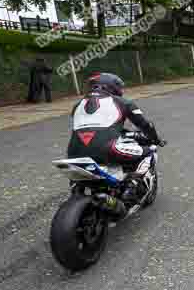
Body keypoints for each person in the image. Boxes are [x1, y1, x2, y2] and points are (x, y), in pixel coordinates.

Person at [67, 73, 164, 205]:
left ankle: (77, 188)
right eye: (119, 87)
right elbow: (146, 125)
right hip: (107, 148)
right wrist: (156, 139)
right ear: (112, 87)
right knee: (149, 152)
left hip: (74, 151)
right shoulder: (123, 102)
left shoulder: (77, 105)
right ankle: (131, 187)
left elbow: (93, 127)